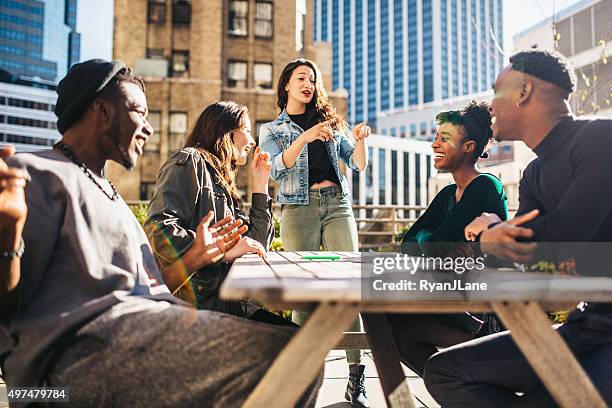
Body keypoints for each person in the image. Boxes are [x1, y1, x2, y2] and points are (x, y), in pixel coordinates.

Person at [0, 59, 321, 406]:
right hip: (74, 362)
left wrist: (199, 254)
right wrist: (8, 231)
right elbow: (8, 314)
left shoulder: (111, 195)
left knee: (303, 354)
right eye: (139, 111)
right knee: (294, 357)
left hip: (147, 328)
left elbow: (150, 289)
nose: (149, 129)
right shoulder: (32, 173)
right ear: (102, 110)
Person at [423, 50, 612, 407]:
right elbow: (524, 257)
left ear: (524, 91)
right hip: (586, 327)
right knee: (445, 371)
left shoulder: (601, 140)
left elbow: (563, 236)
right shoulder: (534, 175)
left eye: (497, 91)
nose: (490, 105)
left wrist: (495, 232)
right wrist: (491, 240)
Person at [259, 58, 371, 408]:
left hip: (337, 203)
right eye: (301, 78)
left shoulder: (332, 122)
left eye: (313, 79)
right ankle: (302, 379)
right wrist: (306, 136)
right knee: (302, 292)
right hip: (298, 209)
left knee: (349, 285)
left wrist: (359, 140)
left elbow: (358, 164)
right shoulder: (272, 129)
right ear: (287, 86)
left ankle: (356, 376)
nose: (308, 83)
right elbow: (277, 169)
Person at [389, 101, 507, 377]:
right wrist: (433, 243)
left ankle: (466, 388)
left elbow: (432, 246)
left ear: (468, 147)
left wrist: (430, 242)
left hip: (491, 316)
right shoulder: (448, 194)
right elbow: (408, 245)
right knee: (391, 322)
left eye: (444, 139)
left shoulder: (485, 186)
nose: (434, 145)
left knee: (398, 328)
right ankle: (460, 392)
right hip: (459, 299)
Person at [145, 101, 289, 325]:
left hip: (233, 303)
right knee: (300, 344)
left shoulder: (223, 183)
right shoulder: (190, 161)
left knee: (305, 343)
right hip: (200, 308)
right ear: (226, 130)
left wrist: (260, 185)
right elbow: (158, 230)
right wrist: (221, 251)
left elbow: (257, 245)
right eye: (247, 131)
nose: (252, 141)